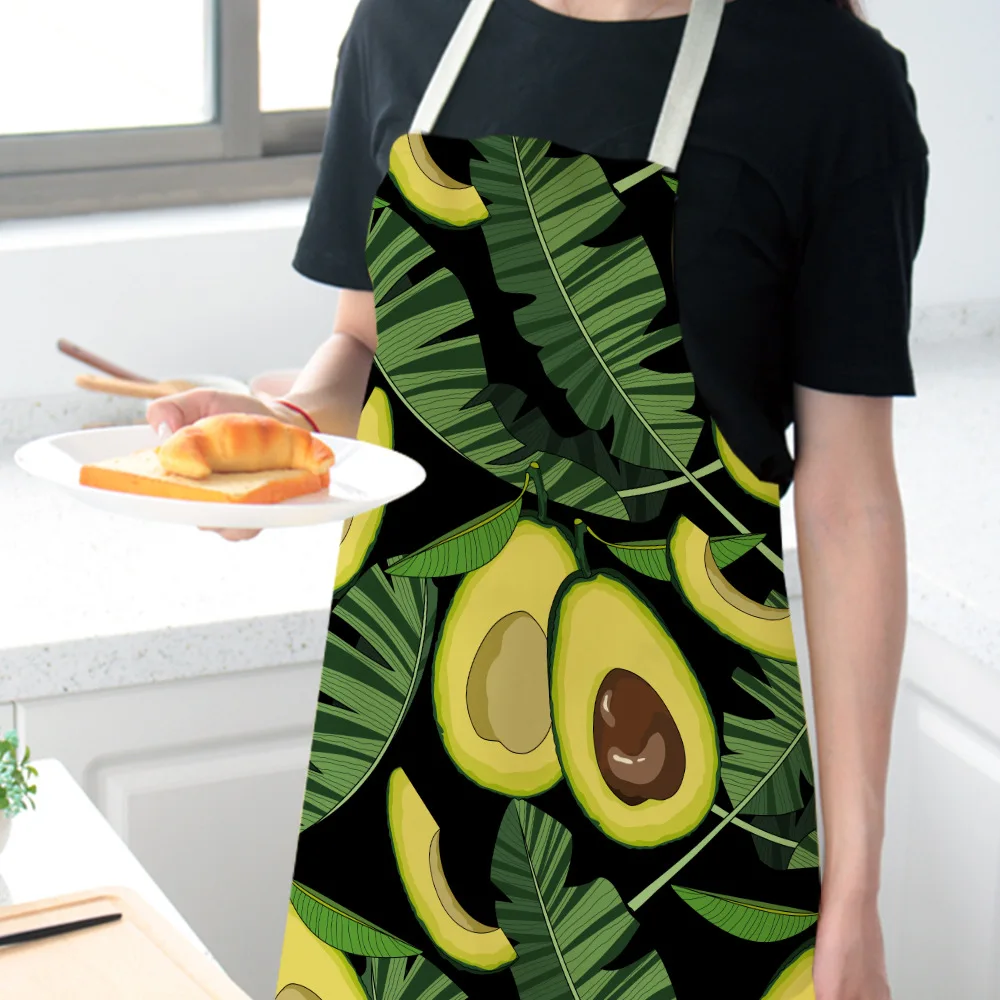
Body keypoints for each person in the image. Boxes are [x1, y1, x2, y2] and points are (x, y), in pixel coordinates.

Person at [149, 0, 927, 996]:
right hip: (410, 763)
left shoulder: (831, 80)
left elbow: (849, 502)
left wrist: (854, 892)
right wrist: (279, 434)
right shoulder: (404, 27)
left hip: (694, 791)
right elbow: (365, 341)